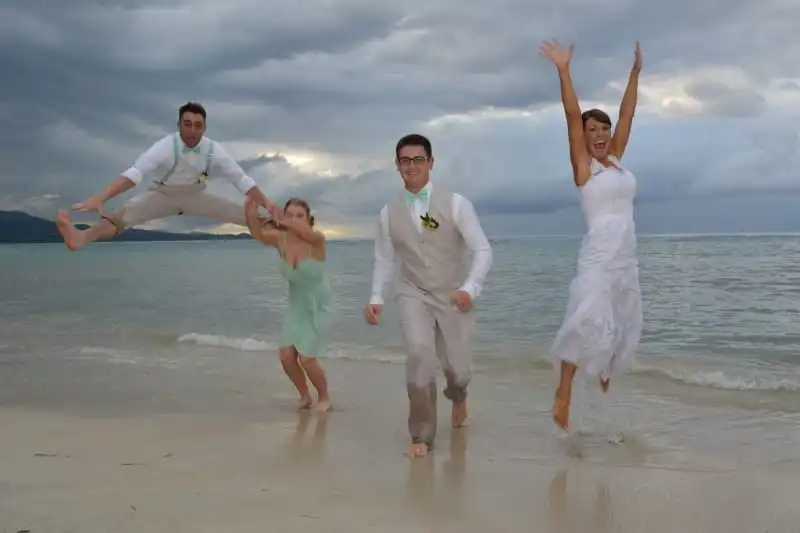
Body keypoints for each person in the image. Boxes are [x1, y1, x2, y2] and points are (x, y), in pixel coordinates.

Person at [364, 133, 493, 458]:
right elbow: (384, 258)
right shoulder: (387, 213)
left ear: (431, 163)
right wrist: (376, 297)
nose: (412, 166)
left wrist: (470, 288)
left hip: (453, 294)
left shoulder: (457, 204)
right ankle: (421, 435)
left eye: (418, 159)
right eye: (405, 160)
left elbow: (482, 250)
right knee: (420, 354)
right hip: (413, 292)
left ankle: (459, 396)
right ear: (397, 165)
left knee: (458, 370)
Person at [539, 39, 644, 431]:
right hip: (598, 259)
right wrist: (563, 70)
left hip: (625, 259)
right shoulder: (584, 169)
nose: (599, 134)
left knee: (624, 324)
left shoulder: (616, 160)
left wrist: (635, 73)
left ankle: (604, 372)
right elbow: (570, 115)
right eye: (592, 130)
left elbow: (628, 112)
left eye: (604, 129)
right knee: (584, 321)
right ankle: (563, 391)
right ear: (583, 138)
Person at [56, 102, 276, 250]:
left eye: (198, 126)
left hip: (196, 194)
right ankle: (80, 237)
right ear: (178, 125)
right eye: (187, 125)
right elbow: (135, 173)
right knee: (120, 217)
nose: (192, 131)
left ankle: (287, 239)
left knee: (250, 217)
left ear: (204, 128)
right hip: (163, 194)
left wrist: (268, 205)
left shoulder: (212, 150)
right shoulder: (165, 146)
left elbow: (241, 179)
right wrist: (102, 197)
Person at [244, 196, 333, 412]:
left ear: (309, 220)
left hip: (318, 306)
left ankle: (324, 398)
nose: (294, 219)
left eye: (299, 216)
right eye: (290, 214)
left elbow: (304, 232)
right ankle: (305, 396)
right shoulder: (281, 239)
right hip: (296, 305)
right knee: (286, 356)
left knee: (306, 358)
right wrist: (250, 213)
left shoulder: (316, 240)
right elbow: (257, 234)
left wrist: (283, 220)